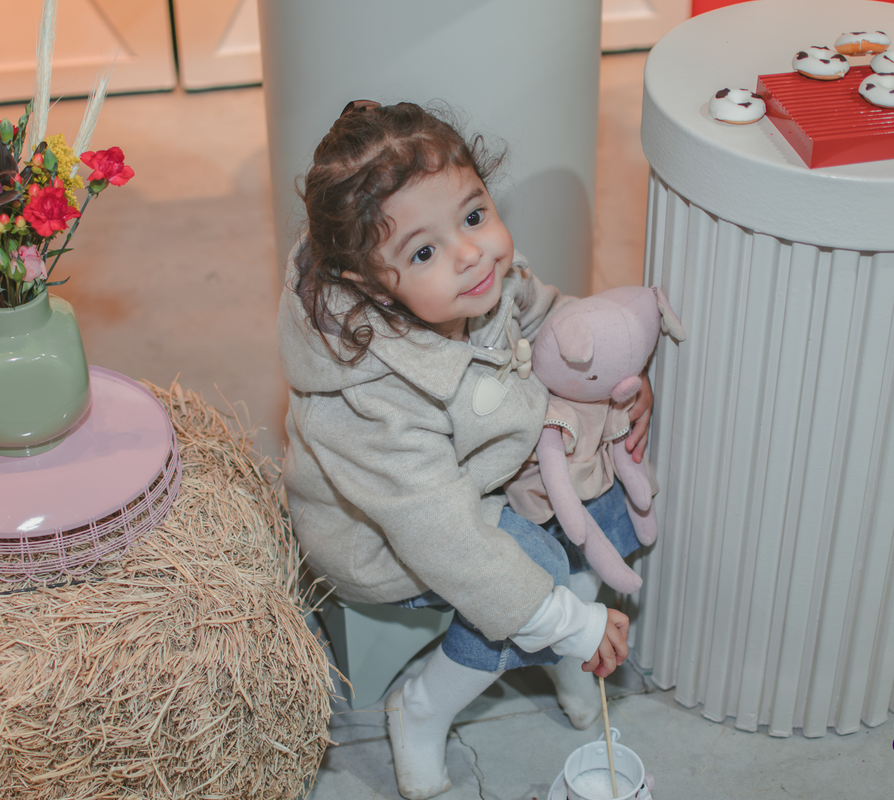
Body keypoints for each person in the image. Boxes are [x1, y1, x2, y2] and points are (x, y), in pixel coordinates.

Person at [277, 100, 652, 800]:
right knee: (528, 567)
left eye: (475, 215)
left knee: (605, 502)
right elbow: (442, 536)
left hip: (480, 469)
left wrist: (617, 373)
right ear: (368, 285)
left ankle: (569, 644)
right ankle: (426, 704)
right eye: (423, 251)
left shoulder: (475, 280)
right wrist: (562, 618)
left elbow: (544, 312)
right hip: (387, 535)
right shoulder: (367, 396)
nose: (472, 252)